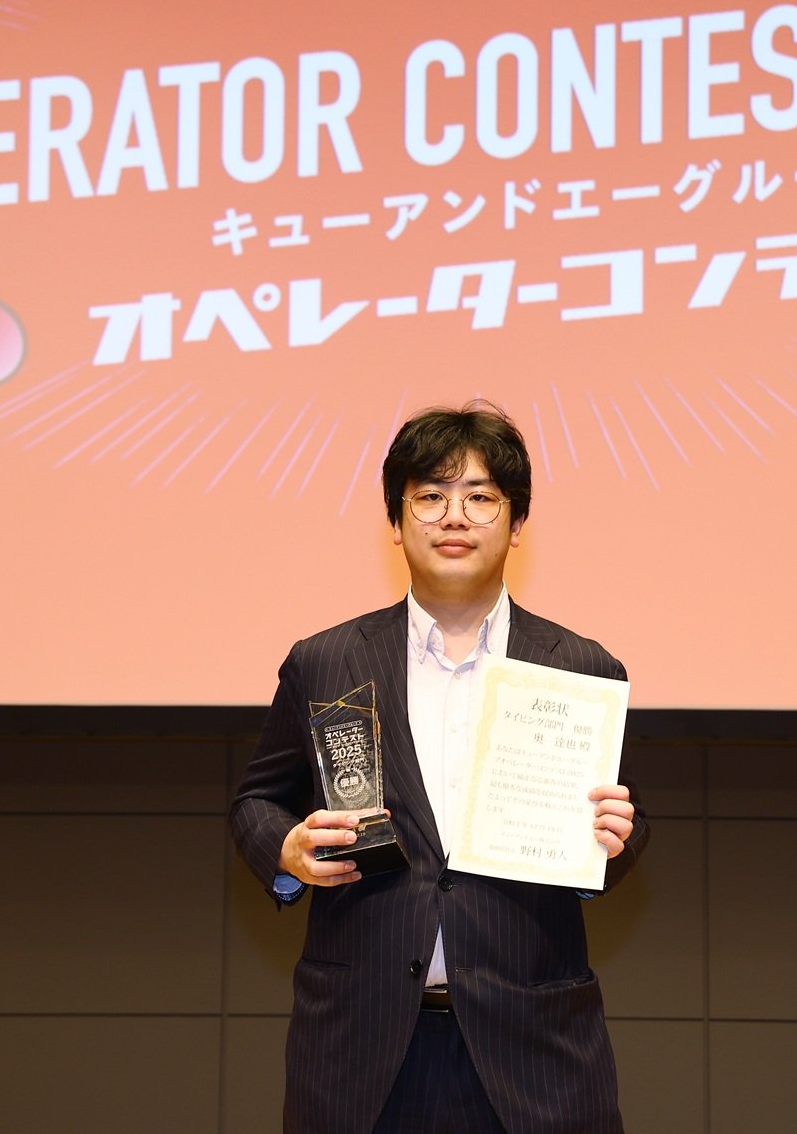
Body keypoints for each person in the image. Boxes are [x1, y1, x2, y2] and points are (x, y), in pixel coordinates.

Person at [230, 401, 647, 1134]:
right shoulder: (326, 661)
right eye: (429, 496)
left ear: (517, 523)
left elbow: (626, 825)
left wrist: (617, 837)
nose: (454, 516)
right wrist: (287, 851)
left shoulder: (581, 669)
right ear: (396, 521)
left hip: (535, 1055)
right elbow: (257, 801)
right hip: (360, 1053)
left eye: (481, 498)